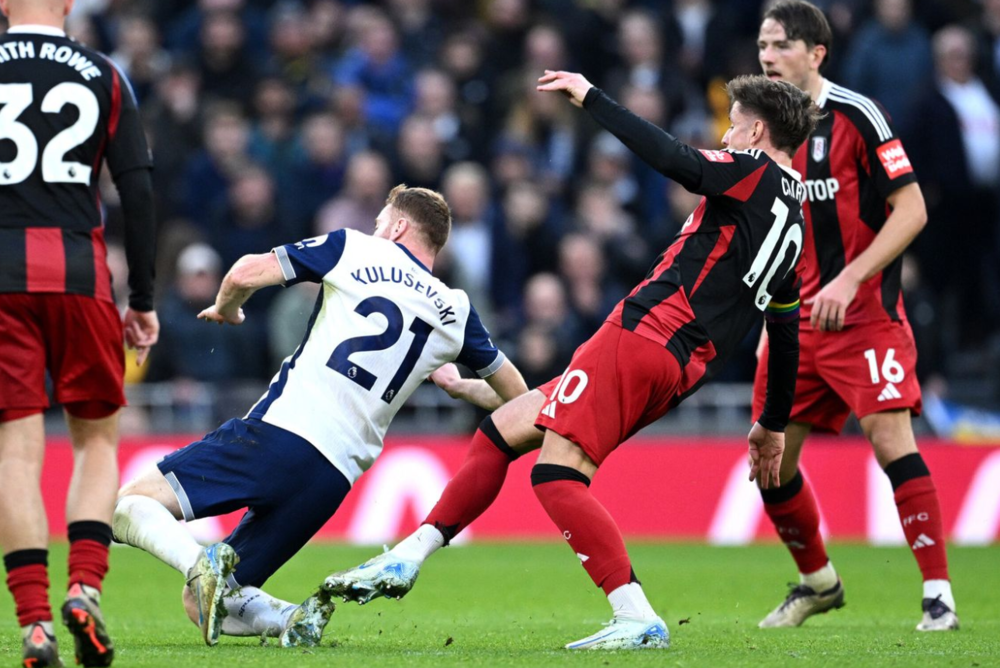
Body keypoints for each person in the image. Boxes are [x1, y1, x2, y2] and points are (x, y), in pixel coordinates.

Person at [324, 71, 820, 652]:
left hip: (645, 332)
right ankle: (410, 555)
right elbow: (786, 330)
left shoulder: (751, 171)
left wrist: (591, 98)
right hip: (680, 365)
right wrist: (772, 422)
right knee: (502, 430)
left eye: (733, 124)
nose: (727, 135)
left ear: (757, 129)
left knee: (557, 473)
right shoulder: (799, 224)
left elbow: (676, 159)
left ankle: (634, 614)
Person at [112, 185, 527, 648]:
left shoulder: (355, 247)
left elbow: (245, 271)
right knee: (204, 603)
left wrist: (228, 309)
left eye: (380, 222)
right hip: (331, 479)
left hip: (281, 434)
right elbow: (519, 402)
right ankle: (290, 619)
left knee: (128, 504)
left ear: (398, 227)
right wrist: (460, 386)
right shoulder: (456, 311)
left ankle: (198, 562)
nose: (375, 228)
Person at [0, 0, 160, 665]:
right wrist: (141, 297)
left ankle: (33, 626)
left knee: (18, 456)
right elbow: (137, 191)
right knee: (97, 440)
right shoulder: (104, 73)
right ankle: (85, 588)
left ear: (1, 3)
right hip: (82, 274)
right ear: (69, 4)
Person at [754, 1, 955, 632]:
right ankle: (819, 583)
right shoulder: (759, 125)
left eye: (780, 45)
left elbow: (913, 209)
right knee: (770, 462)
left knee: (890, 439)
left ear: (816, 54)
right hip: (794, 323)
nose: (766, 56)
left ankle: (939, 597)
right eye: (761, 45)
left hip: (863, 314)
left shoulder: (858, 115)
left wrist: (849, 277)